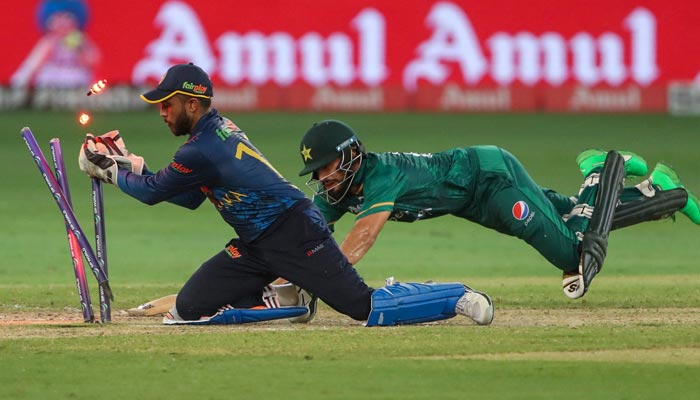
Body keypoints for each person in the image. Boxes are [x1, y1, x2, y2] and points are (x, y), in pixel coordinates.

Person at [77, 63, 495, 326]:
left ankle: (457, 296)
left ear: (192, 102)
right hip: (258, 244)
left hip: (295, 234)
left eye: (168, 104)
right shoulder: (213, 135)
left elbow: (153, 195)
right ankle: (289, 302)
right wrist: (133, 167)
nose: (163, 112)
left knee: (364, 308)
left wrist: (114, 172)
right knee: (188, 309)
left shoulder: (202, 147)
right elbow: (186, 196)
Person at [297, 120, 699, 298]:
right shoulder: (336, 190)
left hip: (488, 176)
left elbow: (363, 235)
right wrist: (280, 275)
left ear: (350, 156)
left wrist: (324, 278)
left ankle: (600, 169)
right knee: (573, 216)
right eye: (316, 172)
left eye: (326, 167)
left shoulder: (380, 175)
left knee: (572, 254)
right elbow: (303, 236)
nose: (322, 178)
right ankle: (659, 191)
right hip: (471, 202)